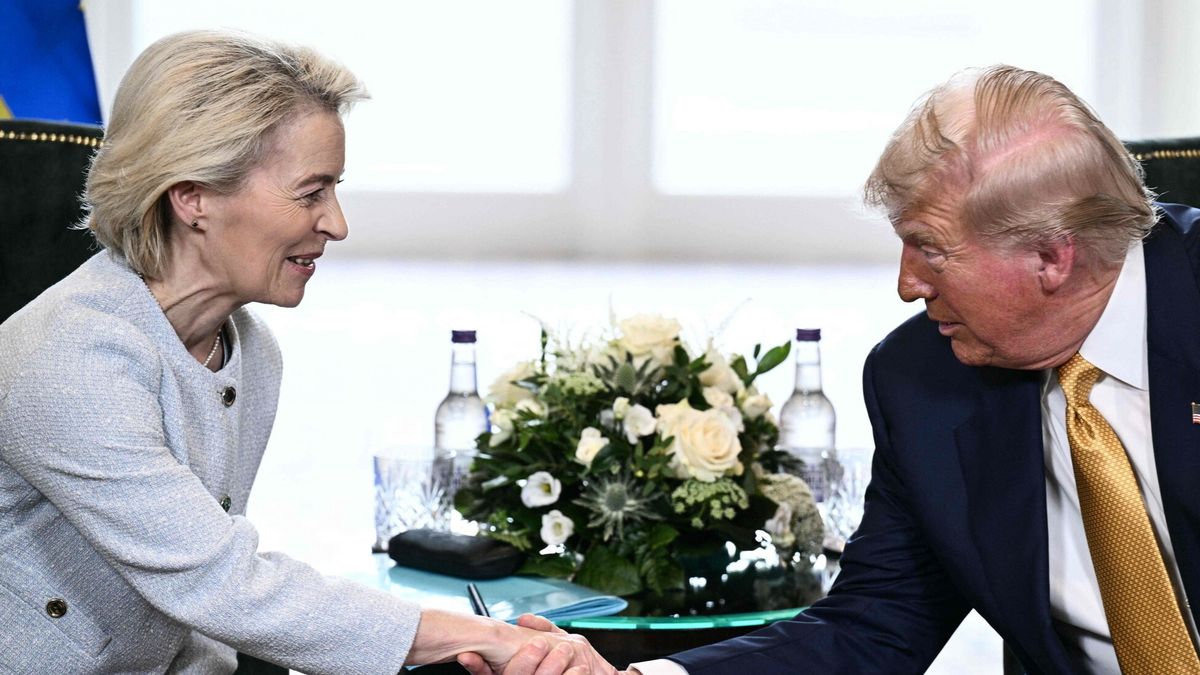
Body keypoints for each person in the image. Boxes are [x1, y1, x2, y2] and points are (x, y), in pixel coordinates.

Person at [515, 65, 1200, 674]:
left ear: (1052, 257)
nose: (906, 285)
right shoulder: (923, 379)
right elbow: (876, 626)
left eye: (930, 250)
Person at [0, 30, 610, 675]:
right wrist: (493, 638)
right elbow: (221, 584)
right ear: (193, 197)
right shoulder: (66, 362)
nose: (337, 223)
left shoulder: (249, 347)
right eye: (311, 192)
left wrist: (487, 640)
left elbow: (204, 601)